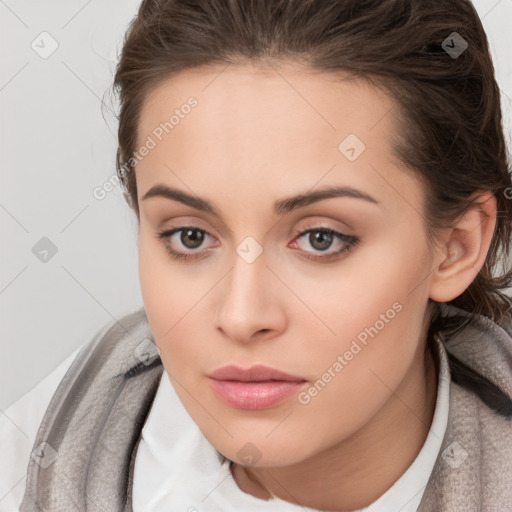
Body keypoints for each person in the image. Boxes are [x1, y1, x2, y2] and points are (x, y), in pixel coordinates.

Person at [1, 0, 512, 510]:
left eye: (321, 239)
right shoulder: (37, 452)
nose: (241, 316)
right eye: (190, 236)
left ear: (456, 247)